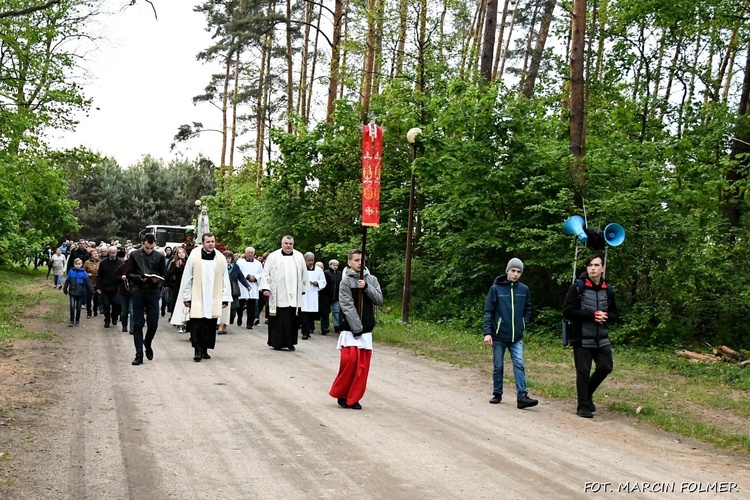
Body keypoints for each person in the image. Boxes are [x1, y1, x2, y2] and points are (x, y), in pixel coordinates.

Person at [563, 253, 618, 418]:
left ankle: (587, 395)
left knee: (605, 367)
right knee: (583, 372)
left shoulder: (607, 289)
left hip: (601, 338)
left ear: (603, 268)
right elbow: (567, 312)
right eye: (590, 265)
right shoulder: (577, 287)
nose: (593, 268)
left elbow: (615, 313)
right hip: (581, 337)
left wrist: (606, 316)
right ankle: (583, 405)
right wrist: (591, 315)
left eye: (596, 265)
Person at [329, 249, 383, 410]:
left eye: (362, 260)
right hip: (351, 329)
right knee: (349, 362)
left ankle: (354, 398)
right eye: (357, 260)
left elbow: (379, 300)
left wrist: (366, 287)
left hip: (365, 330)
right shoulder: (345, 282)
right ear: (349, 262)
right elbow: (346, 305)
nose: (360, 263)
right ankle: (342, 393)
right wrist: (356, 327)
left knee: (362, 367)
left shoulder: (372, 280)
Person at [482, 258, 539, 409]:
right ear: (507, 271)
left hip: (516, 336)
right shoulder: (496, 289)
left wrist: (523, 323)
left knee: (519, 364)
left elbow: (528, 309)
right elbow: (489, 311)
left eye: (519, 271)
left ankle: (522, 397)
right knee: (498, 365)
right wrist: (487, 333)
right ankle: (497, 393)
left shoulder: (524, 290)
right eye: (513, 271)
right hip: (499, 335)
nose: (515, 274)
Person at [178, 233, 231, 361]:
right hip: (198, 295)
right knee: (197, 324)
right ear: (203, 242)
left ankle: (205, 349)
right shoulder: (195, 255)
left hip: (213, 296)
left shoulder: (220, 258)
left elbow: (225, 278)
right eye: (208, 242)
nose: (211, 244)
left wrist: (225, 297)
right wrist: (186, 297)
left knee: (210, 324)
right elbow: (187, 276)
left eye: (212, 241)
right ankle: (197, 350)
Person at [259, 235, 309, 351]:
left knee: (292, 320)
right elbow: (266, 273)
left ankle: (290, 342)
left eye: (290, 244)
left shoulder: (299, 256)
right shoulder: (273, 256)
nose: (288, 246)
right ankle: (276, 342)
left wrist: (303, 289)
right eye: (286, 243)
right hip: (278, 294)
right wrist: (266, 288)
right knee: (279, 320)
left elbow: (304, 274)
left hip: (294, 294)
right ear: (282, 244)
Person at [125, 233, 166, 366]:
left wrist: (157, 280)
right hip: (138, 291)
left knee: (153, 323)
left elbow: (163, 274)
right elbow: (129, 273)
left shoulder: (159, 256)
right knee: (138, 324)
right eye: (147, 247)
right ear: (142, 243)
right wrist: (139, 278)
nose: (149, 250)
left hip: (153, 292)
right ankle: (139, 354)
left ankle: (147, 342)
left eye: (151, 248)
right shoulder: (135, 255)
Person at [220, 250, 251, 334]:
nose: (227, 260)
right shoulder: (220, 266)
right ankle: (221, 326)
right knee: (222, 309)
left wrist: (247, 285)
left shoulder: (236, 267)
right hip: (223, 290)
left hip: (233, 291)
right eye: (225, 258)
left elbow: (241, 277)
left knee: (233, 312)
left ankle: (227, 323)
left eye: (229, 258)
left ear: (231, 258)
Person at [300, 252, 326, 339]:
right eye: (308, 260)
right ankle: (305, 332)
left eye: (312, 260)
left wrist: (317, 283)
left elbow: (323, 281)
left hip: (313, 293)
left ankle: (310, 329)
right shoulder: (301, 268)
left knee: (311, 313)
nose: (310, 262)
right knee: (304, 313)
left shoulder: (318, 270)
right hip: (304, 293)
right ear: (305, 260)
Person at [236, 246, 263, 329]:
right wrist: (247, 276)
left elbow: (261, 273)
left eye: (252, 252)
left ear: (254, 254)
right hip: (243, 285)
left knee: (252, 306)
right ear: (246, 253)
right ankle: (239, 316)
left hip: (253, 285)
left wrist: (255, 277)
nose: (250, 254)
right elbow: (238, 272)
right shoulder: (240, 262)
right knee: (240, 305)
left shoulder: (258, 263)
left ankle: (249, 323)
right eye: (249, 252)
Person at [63, 258, 95, 327]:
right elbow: (67, 281)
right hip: (72, 292)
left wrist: (92, 291)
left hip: (80, 293)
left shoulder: (83, 273)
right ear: (74, 264)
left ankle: (77, 320)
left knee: (78, 307)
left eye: (79, 264)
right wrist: (65, 288)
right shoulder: (71, 271)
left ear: (82, 264)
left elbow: (88, 282)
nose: (77, 265)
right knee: (72, 306)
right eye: (76, 264)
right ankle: (71, 320)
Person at [97, 246, 123, 328]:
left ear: (116, 253)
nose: (112, 254)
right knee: (106, 305)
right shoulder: (103, 263)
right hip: (106, 287)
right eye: (111, 253)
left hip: (116, 288)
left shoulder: (121, 262)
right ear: (108, 253)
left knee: (116, 304)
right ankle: (107, 320)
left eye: (114, 253)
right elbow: (100, 276)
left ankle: (114, 317)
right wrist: (99, 287)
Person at [166, 246, 188, 332]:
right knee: (176, 303)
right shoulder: (174, 263)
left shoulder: (188, 262)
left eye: (183, 252)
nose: (181, 254)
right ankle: (177, 321)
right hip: (177, 286)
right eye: (179, 253)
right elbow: (169, 274)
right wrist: (177, 267)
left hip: (187, 286)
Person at [321, 259, 342, 334]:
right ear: (330, 265)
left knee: (336, 311)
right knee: (325, 312)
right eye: (333, 265)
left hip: (336, 296)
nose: (335, 267)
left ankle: (337, 326)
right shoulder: (326, 273)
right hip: (327, 296)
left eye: (336, 265)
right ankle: (325, 327)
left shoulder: (340, 274)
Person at [115, 258, 133, 334]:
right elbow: (115, 275)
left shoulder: (138, 266)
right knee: (124, 311)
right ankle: (124, 326)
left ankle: (132, 327)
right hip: (123, 291)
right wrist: (121, 277)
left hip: (134, 292)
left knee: (132, 311)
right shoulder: (123, 266)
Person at [83, 249, 101, 318]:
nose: (96, 255)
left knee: (96, 298)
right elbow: (83, 271)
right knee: (88, 298)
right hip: (89, 282)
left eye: (97, 253)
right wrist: (87, 274)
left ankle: (95, 310)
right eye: (94, 254)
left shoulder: (100, 262)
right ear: (91, 256)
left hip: (97, 282)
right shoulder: (87, 262)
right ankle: (89, 312)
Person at [161, 246, 174, 317]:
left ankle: (168, 307)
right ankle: (163, 308)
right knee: (164, 297)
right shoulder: (163, 259)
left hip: (170, 281)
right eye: (167, 250)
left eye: (169, 250)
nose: (168, 251)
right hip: (164, 279)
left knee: (168, 297)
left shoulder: (172, 259)